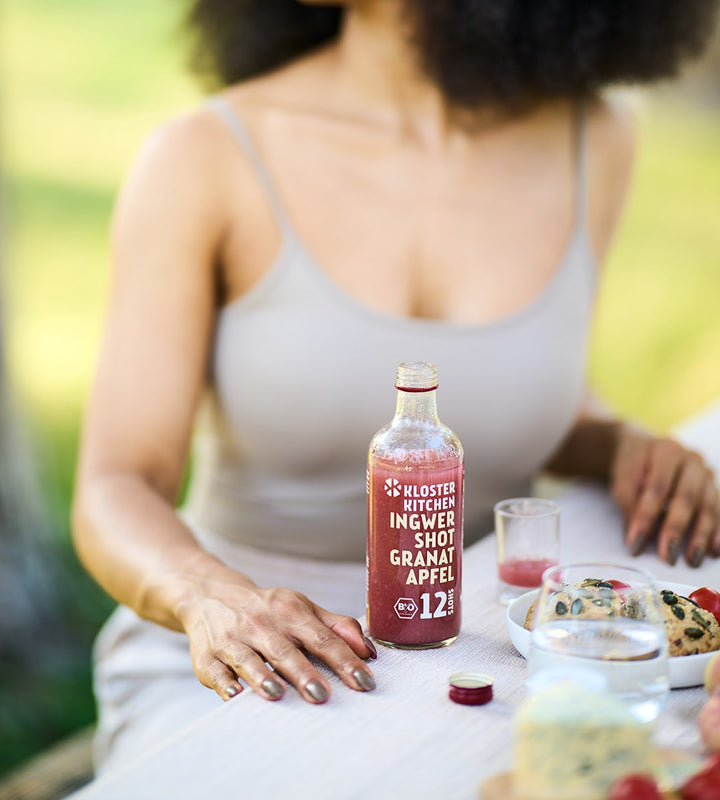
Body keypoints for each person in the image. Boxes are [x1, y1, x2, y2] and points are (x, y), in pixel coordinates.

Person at [72, 0, 720, 773]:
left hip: (478, 646)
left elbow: (531, 392)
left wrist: (617, 444)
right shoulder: (205, 156)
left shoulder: (595, 139)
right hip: (238, 661)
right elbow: (116, 482)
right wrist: (211, 598)